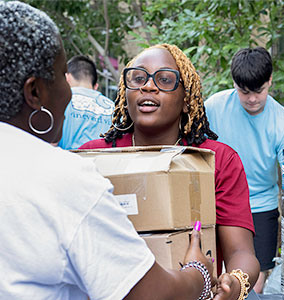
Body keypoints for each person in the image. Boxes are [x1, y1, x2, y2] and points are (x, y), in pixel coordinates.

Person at [0, 2, 215, 300]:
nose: (70, 92)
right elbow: (152, 295)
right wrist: (198, 271)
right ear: (35, 92)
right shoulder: (64, 178)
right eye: (61, 76)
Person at [79, 43, 261, 300]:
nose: (148, 86)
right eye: (138, 78)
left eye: (164, 80)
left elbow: (240, 252)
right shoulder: (91, 159)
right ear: (124, 93)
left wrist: (235, 284)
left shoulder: (217, 160)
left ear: (187, 101)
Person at [204, 47, 284, 293]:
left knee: (250, 286)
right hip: (219, 202)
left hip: (261, 206)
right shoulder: (215, 106)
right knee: (214, 276)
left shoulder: (280, 120)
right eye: (244, 91)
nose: (251, 99)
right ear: (234, 84)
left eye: (258, 91)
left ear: (270, 80)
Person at [58, 55, 114, 150]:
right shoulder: (113, 107)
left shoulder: (59, 101)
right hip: (107, 163)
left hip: (67, 162)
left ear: (67, 77)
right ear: (95, 86)